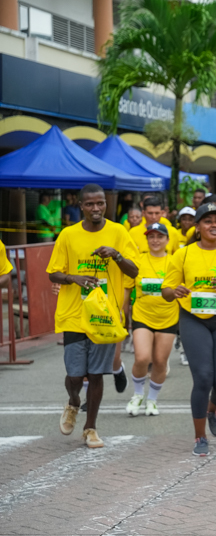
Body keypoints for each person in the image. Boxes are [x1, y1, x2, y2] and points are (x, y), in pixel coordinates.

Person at [47, 184, 139, 448]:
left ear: (105, 204)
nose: (96, 208)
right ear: (81, 206)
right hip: (75, 314)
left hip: (104, 317)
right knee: (75, 375)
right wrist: (72, 277)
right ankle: (74, 402)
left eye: (100, 203)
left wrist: (117, 255)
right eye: (90, 204)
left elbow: (133, 272)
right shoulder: (68, 235)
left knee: (96, 374)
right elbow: (53, 273)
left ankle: (91, 428)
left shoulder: (118, 232)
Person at [162, 203, 216, 456]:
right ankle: (200, 437)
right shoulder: (184, 254)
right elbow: (167, 291)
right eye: (208, 220)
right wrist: (174, 291)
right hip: (193, 318)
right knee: (202, 377)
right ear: (198, 227)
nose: (215, 225)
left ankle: (212, 409)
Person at [124, 223, 178, 417]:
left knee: (160, 361)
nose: (155, 240)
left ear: (167, 240)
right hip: (142, 316)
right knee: (142, 357)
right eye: (151, 236)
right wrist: (123, 312)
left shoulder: (175, 261)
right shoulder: (137, 261)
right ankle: (137, 395)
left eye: (160, 236)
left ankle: (152, 400)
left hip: (168, 318)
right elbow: (127, 288)